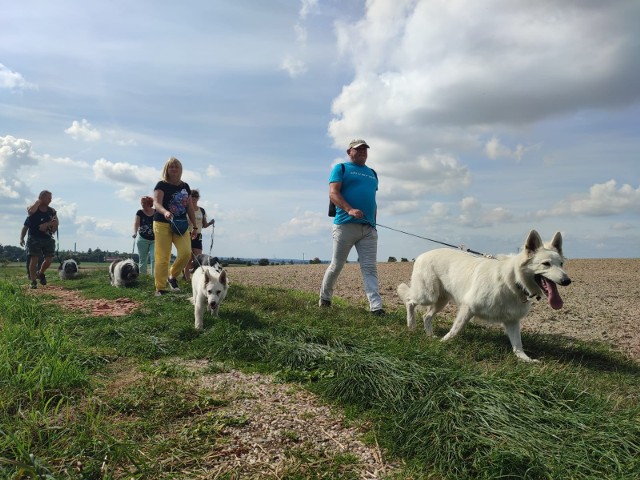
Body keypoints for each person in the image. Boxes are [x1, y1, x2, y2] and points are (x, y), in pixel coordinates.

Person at [319, 139, 384, 315]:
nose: (362, 151)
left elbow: (373, 201)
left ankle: (376, 308)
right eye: (358, 149)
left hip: (368, 229)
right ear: (349, 152)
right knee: (337, 265)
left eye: (365, 149)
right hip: (345, 225)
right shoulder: (341, 168)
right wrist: (349, 209)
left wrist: (374, 224)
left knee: (370, 267)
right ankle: (325, 298)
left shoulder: (372, 173)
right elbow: (333, 193)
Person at [152, 156, 198, 296]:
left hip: (181, 224)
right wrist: (165, 211)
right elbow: (157, 203)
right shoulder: (161, 185)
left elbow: (190, 207)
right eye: (171, 167)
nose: (174, 169)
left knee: (185, 253)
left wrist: (195, 226)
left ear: (180, 169)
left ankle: (172, 276)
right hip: (162, 223)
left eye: (176, 167)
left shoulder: (185, 186)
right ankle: (160, 288)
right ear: (167, 169)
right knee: (163, 257)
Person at [25, 190, 59, 289]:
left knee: (49, 259)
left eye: (51, 198)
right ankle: (33, 281)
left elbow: (56, 223)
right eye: (49, 198)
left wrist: (48, 225)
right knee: (34, 259)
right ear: (42, 197)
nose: (50, 200)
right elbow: (30, 212)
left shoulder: (52, 211)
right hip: (34, 237)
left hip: (47, 237)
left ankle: (40, 273)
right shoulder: (33, 207)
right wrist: (37, 202)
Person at [183, 189, 215, 280]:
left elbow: (204, 225)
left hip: (198, 235)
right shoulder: (185, 209)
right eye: (192, 196)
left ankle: (191, 274)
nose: (193, 198)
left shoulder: (202, 210)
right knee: (188, 258)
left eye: (195, 196)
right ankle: (187, 279)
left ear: (198, 198)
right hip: (187, 234)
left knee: (198, 258)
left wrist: (210, 223)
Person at [133, 195, 155, 276]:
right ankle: (143, 277)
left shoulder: (156, 212)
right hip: (142, 238)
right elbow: (136, 223)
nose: (142, 204)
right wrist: (135, 232)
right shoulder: (140, 212)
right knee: (142, 259)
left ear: (149, 203)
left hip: (154, 240)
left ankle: (154, 278)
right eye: (142, 203)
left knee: (154, 258)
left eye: (144, 203)